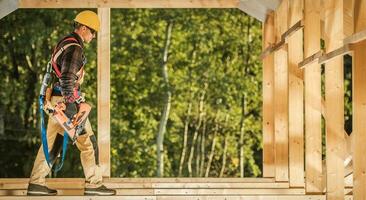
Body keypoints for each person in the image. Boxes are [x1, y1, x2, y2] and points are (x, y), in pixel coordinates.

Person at [27, 10, 116, 196]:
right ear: (83, 28)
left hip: (55, 102)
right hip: (65, 102)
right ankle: (94, 184)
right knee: (88, 143)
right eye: (93, 32)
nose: (93, 36)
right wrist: (72, 106)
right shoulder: (75, 47)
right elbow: (67, 78)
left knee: (51, 144)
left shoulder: (64, 43)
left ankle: (36, 183)